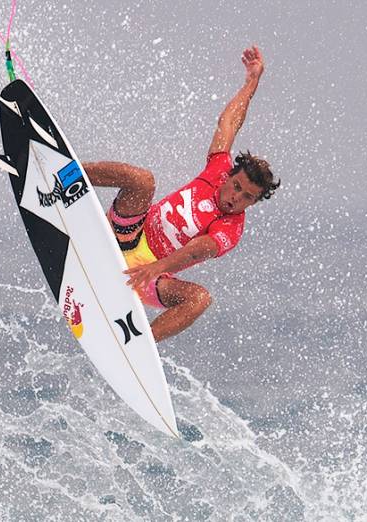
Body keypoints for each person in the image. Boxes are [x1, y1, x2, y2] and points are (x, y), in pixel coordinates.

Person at [82, 45, 280, 342]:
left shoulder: (232, 229)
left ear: (253, 202)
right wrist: (252, 82)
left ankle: (136, 345)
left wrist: (154, 269)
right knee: (143, 180)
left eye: (247, 197)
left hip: (151, 276)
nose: (237, 197)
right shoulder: (217, 168)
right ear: (229, 176)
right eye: (237, 186)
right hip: (128, 233)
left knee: (200, 298)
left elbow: (197, 249)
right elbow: (228, 123)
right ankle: (67, 172)